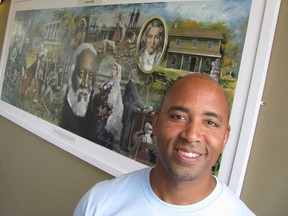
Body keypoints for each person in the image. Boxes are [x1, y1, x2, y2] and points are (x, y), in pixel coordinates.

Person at [74, 73, 255, 215]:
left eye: (210, 122)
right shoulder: (97, 204)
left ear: (225, 137)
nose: (191, 135)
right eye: (179, 117)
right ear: (156, 123)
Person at [61, 43, 97, 137]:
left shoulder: (93, 111)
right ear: (72, 73)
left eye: (90, 76)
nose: (85, 84)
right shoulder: (59, 105)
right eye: (81, 73)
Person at [89, 63, 123, 149]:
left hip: (106, 108)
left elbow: (113, 98)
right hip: (101, 105)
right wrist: (97, 91)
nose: (112, 71)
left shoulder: (116, 84)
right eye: (112, 69)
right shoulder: (109, 81)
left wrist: (107, 106)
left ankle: (101, 145)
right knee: (96, 124)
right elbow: (102, 89)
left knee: (101, 126)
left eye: (114, 69)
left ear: (118, 71)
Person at [119, 69, 146, 152]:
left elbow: (130, 99)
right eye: (136, 75)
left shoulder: (128, 84)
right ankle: (123, 146)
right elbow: (136, 99)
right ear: (134, 76)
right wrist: (143, 107)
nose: (137, 77)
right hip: (129, 110)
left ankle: (122, 145)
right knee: (127, 128)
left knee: (125, 128)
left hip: (127, 108)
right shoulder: (132, 86)